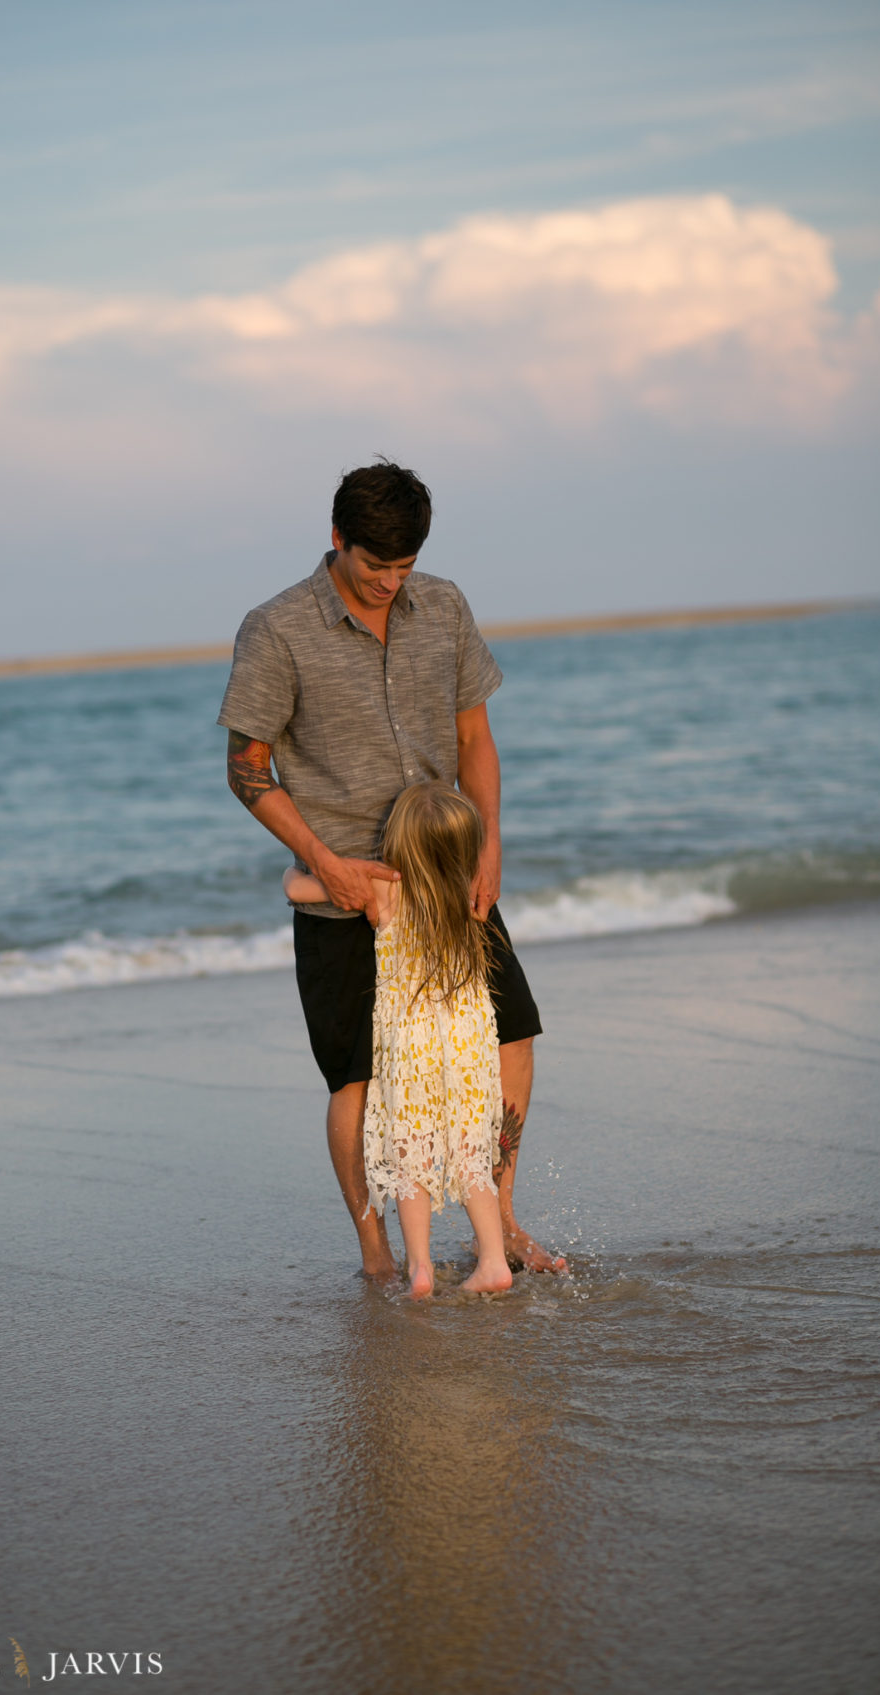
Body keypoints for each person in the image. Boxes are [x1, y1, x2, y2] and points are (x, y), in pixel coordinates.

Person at [217, 459, 565, 1280]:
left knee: (510, 1035)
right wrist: (324, 863)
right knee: (361, 1079)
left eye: (401, 567)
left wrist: (491, 842)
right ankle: (378, 1250)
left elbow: (475, 740)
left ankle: (500, 1220)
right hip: (349, 894)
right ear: (337, 540)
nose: (388, 583)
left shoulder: (441, 606)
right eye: (374, 566)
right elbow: (247, 769)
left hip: (449, 879)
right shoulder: (276, 629)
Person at [285, 782, 554, 1297]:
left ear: (397, 846)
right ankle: (494, 1260)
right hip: (470, 1046)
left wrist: (295, 866)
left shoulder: (385, 890)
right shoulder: (472, 898)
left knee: (414, 1157)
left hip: (408, 1052)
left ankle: (421, 1270)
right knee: (471, 1156)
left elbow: (296, 891)